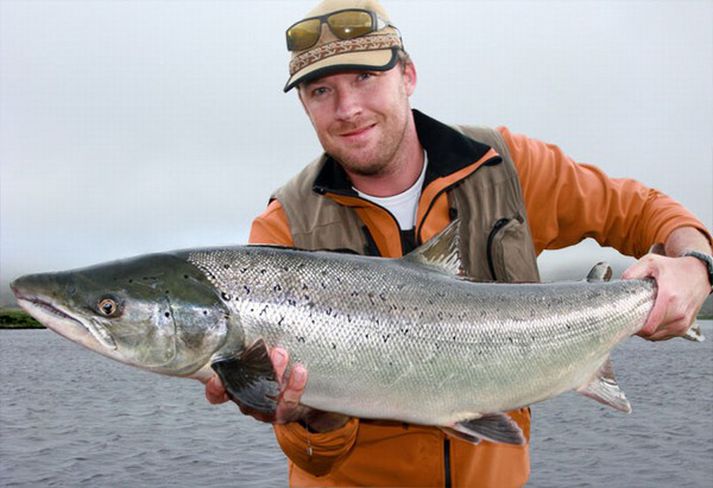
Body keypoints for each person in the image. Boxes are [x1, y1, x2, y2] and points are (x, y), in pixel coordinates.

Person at [205, 0, 713, 486]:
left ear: (408, 75)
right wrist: (307, 414)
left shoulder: (504, 165)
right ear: (304, 106)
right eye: (320, 91)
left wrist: (694, 262)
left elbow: (643, 208)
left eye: (365, 77)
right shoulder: (280, 231)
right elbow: (314, 458)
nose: (348, 108)